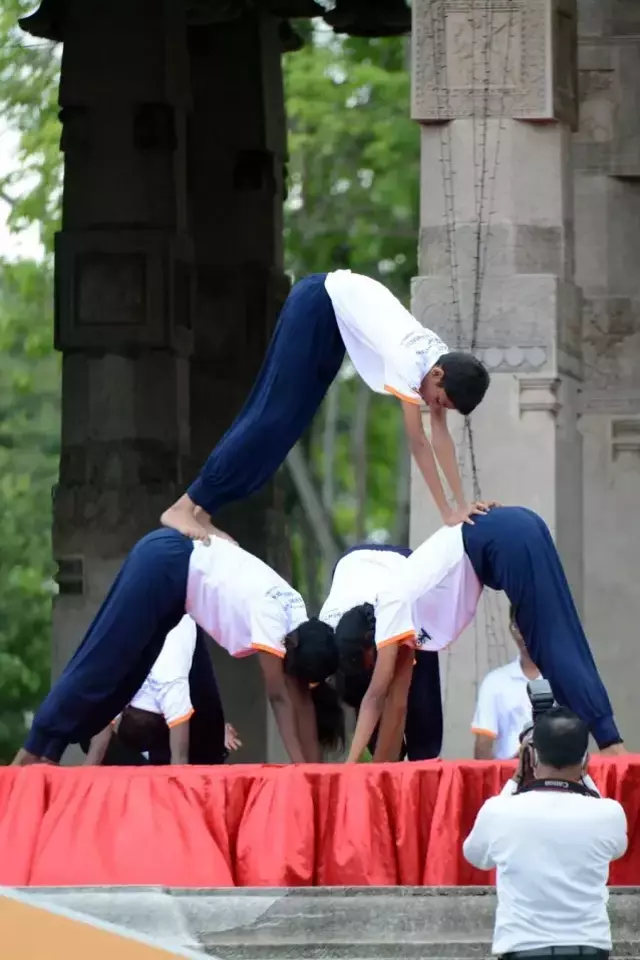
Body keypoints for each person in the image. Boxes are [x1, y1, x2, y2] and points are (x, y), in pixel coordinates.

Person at [159, 270, 491, 542]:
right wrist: (447, 514)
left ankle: (203, 511)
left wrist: (461, 506)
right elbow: (419, 442)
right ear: (438, 374)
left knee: (288, 428)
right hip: (317, 303)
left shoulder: (442, 365)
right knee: (270, 418)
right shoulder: (411, 363)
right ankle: (184, 506)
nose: (435, 406)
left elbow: (440, 435)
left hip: (336, 323)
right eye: (438, 400)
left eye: (442, 405)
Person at [13, 529, 342, 767]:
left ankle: (47, 753)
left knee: (136, 692)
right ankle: (36, 751)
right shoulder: (271, 616)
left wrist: (316, 773)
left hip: (180, 596)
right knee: (102, 669)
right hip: (163, 567)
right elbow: (281, 697)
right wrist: (303, 771)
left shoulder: (299, 615)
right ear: (293, 644)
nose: (298, 683)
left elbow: (301, 696)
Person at [332, 506, 624, 764]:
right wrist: (376, 772)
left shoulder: (390, 606)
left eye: (368, 662)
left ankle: (610, 743)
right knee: (561, 638)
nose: (375, 669)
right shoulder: (402, 625)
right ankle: (606, 740)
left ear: (368, 640)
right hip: (510, 531)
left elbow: (375, 697)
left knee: (552, 646)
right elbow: (397, 701)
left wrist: (349, 770)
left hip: (504, 538)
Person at [463, 707, 627, 960]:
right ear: (585, 759)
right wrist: (586, 779)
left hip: (524, 948)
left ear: (532, 756)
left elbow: (476, 856)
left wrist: (516, 780)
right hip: (590, 947)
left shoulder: (499, 810)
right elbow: (618, 848)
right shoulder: (609, 813)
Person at [321, 544, 442, 762]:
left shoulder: (396, 616)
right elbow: (370, 698)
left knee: (422, 711)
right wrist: (351, 767)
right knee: (367, 701)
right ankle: (384, 758)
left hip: (405, 567)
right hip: (351, 562)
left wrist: (379, 773)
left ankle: (420, 770)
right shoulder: (327, 640)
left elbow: (397, 703)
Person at [84, 616, 230, 766]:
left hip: (180, 610)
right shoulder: (124, 684)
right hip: (148, 611)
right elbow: (97, 745)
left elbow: (180, 762)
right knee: (88, 733)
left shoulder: (173, 696)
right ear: (126, 711)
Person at [472, 607, 541, 760]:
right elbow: (482, 747)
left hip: (558, 779)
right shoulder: (495, 682)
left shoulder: (562, 681)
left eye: (530, 624)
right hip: (510, 778)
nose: (523, 633)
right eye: (517, 626)